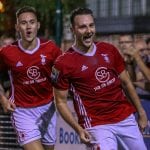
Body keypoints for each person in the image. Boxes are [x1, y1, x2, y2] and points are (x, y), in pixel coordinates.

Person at [52, 7, 147, 150]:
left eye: (91, 25)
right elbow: (60, 101)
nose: (88, 30)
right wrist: (78, 128)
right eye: (83, 27)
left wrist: (141, 112)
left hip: (125, 118)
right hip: (96, 125)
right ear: (73, 30)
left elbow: (127, 83)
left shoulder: (109, 50)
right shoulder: (62, 63)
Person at [0, 6, 61, 150]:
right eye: (23, 23)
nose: (28, 27)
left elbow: (64, 71)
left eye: (32, 22)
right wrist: (2, 99)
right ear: (17, 27)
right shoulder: (7, 53)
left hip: (48, 108)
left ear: (38, 25)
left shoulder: (51, 48)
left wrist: (62, 87)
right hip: (22, 111)